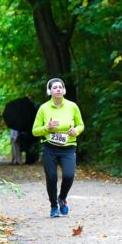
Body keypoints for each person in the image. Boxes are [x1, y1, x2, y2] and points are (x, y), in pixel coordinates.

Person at [32, 78, 84, 218]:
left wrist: (76, 131)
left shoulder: (72, 106)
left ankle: (62, 198)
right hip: (50, 148)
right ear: (49, 91)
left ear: (64, 90)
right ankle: (54, 206)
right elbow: (35, 131)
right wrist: (47, 127)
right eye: (55, 87)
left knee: (68, 175)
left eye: (60, 87)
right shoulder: (44, 108)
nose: (58, 89)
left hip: (68, 148)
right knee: (52, 177)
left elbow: (81, 125)